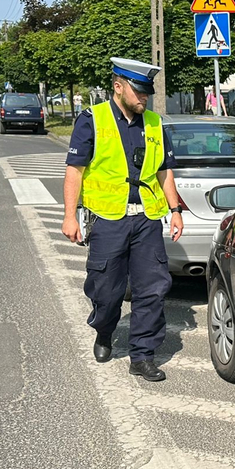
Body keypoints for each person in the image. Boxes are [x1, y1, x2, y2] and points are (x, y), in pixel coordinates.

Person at [61, 57, 186, 383]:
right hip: (108, 220)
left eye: (147, 93)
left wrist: (175, 210)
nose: (144, 98)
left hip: (146, 219)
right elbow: (75, 171)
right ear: (118, 87)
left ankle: (142, 356)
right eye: (138, 92)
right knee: (106, 290)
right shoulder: (92, 120)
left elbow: (164, 171)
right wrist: (69, 216)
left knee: (152, 289)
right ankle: (104, 330)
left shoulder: (155, 123)